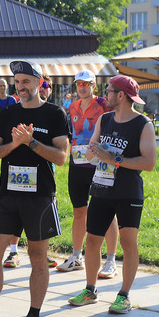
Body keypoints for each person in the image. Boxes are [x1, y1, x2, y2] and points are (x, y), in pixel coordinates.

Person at [0, 60, 71, 317]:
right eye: (18, 81)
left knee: (37, 257)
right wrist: (16, 143)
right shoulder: (8, 113)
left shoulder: (54, 114)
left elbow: (62, 157)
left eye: (26, 81)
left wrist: (33, 143)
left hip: (39, 197)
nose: (20, 87)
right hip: (8, 197)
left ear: (39, 82)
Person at [67, 75, 156, 314]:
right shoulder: (105, 119)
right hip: (100, 189)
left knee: (128, 243)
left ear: (121, 96)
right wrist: (92, 152)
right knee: (93, 239)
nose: (105, 94)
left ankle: (124, 295)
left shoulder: (143, 124)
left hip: (128, 193)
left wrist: (114, 159)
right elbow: (91, 152)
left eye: (108, 91)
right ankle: (90, 290)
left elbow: (149, 163)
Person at [59, 70, 119, 273]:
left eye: (86, 84)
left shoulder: (103, 103)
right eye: (79, 84)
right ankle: (77, 256)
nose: (82, 87)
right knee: (79, 211)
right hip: (77, 164)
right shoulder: (73, 106)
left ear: (94, 85)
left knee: (107, 213)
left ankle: (111, 260)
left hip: (100, 164)